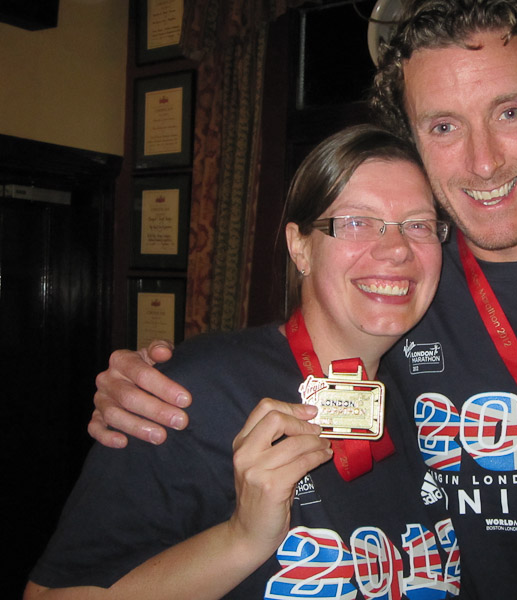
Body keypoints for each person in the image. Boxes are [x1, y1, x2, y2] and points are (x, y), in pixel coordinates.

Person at [87, 1, 517, 598]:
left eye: (508, 112)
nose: (484, 162)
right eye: (444, 126)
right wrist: (157, 390)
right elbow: (284, 358)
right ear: (412, 139)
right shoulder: (399, 279)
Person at [25, 125, 464, 599]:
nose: (397, 249)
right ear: (300, 247)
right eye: (356, 222)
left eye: (418, 225)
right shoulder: (189, 394)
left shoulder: (434, 396)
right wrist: (241, 539)